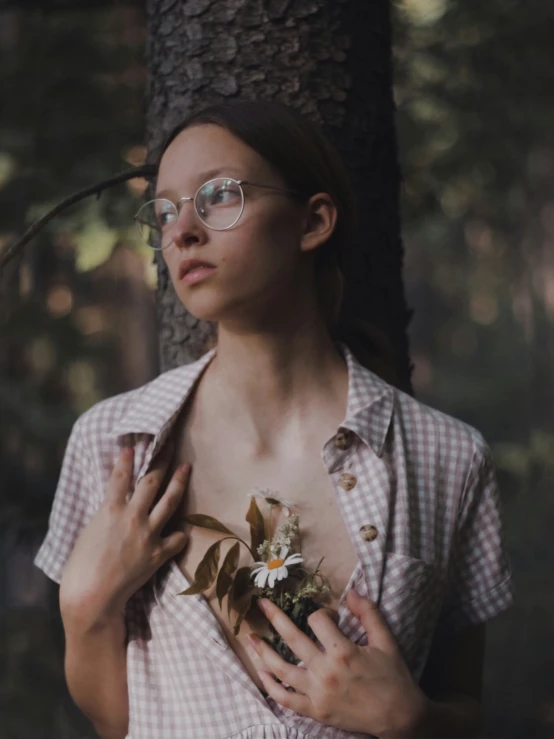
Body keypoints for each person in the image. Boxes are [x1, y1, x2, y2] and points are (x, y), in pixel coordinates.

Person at [34, 100, 515, 739]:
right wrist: (85, 609)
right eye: (168, 210)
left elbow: (468, 709)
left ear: (313, 221)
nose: (183, 231)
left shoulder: (446, 457)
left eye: (219, 196)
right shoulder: (115, 443)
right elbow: (117, 724)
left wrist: (412, 721)